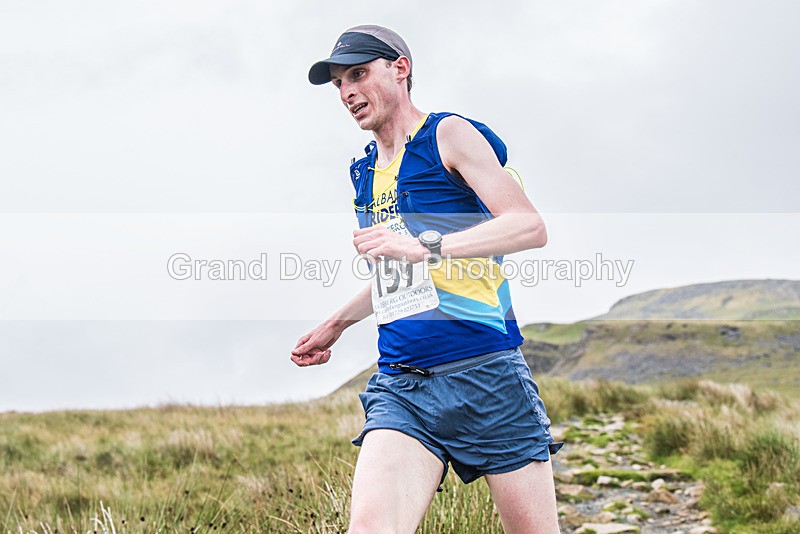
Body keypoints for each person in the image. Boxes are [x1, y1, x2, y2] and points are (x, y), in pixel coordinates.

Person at [292, 24, 562, 534]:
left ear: (400, 68)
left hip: (486, 375)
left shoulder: (447, 134)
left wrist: (424, 246)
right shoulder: (366, 173)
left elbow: (529, 226)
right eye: (338, 85)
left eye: (358, 74)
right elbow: (399, 274)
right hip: (403, 382)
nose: (347, 92)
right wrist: (336, 324)